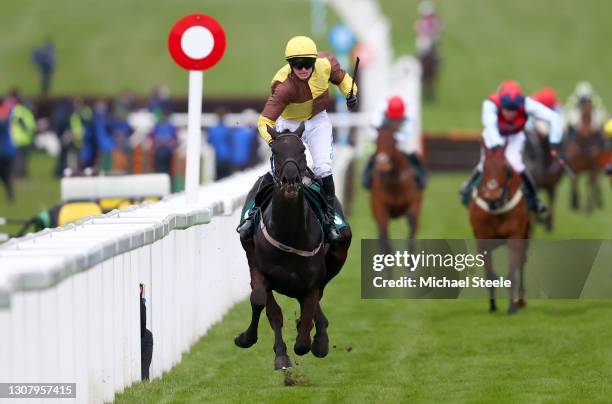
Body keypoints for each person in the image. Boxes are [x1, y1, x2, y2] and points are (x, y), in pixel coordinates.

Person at [236, 35, 358, 242]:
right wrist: (276, 144)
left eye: (307, 64)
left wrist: (351, 93)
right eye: (297, 64)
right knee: (278, 170)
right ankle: (252, 214)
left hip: (317, 120)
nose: (303, 69)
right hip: (289, 124)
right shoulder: (282, 85)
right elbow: (264, 121)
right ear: (290, 65)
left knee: (323, 168)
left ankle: (331, 219)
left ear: (315, 61)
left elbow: (344, 79)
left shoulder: (326, 63)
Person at [459, 80, 563, 217]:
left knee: (517, 165)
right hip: (494, 134)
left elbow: (554, 117)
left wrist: (554, 142)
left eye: (514, 110)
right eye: (507, 110)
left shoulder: (527, 104)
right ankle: (468, 189)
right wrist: (496, 143)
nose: (511, 114)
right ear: (501, 104)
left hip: (515, 136)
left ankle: (533, 200)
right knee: (485, 163)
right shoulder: (490, 104)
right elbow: (490, 125)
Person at [362, 95, 427, 190]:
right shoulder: (380, 109)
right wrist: (384, 141)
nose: (395, 122)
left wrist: (392, 140)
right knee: (376, 154)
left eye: (397, 119)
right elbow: (373, 131)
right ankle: (367, 178)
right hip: (385, 138)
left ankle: (421, 177)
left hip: (400, 139)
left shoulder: (410, 110)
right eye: (393, 119)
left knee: (410, 152)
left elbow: (407, 134)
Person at [8, 93, 36, 179]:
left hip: (19, 139)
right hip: (21, 139)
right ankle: (19, 175)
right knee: (20, 159)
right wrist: (27, 130)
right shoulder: (21, 110)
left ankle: (20, 175)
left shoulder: (17, 110)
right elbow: (22, 122)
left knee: (20, 159)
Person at [149, 109, 177, 177]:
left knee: (167, 170)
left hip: (168, 152)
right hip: (158, 151)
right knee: (158, 169)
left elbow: (174, 139)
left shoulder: (171, 127)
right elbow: (152, 137)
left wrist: (165, 142)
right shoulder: (157, 126)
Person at [207, 107, 233, 179]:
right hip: (222, 157)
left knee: (219, 179)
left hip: (220, 157)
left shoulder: (212, 130)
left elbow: (209, 142)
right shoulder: (227, 130)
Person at [0, 98, 16, 203]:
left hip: (3, 152)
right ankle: (10, 196)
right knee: (7, 176)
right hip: (8, 151)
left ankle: (10, 196)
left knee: (5, 175)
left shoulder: (4, 113)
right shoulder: (7, 111)